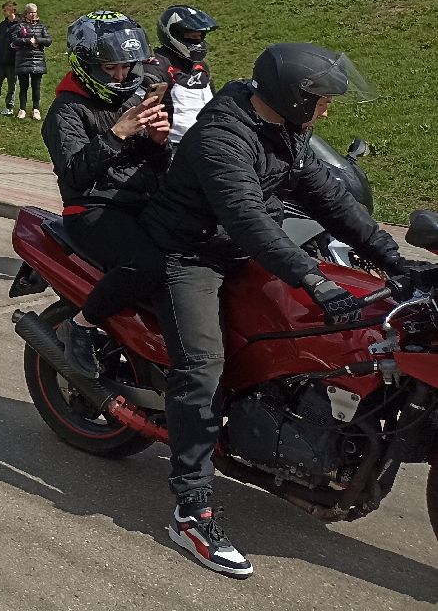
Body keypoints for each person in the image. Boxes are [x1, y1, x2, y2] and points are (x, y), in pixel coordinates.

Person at [139, 42, 411, 578]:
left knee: (304, 335)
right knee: (203, 369)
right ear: (291, 96)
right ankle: (191, 510)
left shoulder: (283, 129)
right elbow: (247, 220)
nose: (328, 109)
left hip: (242, 247)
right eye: (321, 100)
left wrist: (396, 262)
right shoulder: (224, 137)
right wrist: (311, 280)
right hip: (192, 253)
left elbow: (330, 201)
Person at [41, 12, 170, 379]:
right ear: (87, 65)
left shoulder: (134, 98)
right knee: (147, 265)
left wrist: (160, 144)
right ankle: (81, 323)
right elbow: (76, 173)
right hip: (93, 209)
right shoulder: (66, 110)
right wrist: (117, 134)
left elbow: (151, 166)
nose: (121, 76)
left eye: (127, 67)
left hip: (140, 201)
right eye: (111, 67)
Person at [150, 5, 219, 146]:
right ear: (174, 34)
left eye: (200, 36)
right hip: (173, 149)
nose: (198, 42)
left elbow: (214, 103)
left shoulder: (201, 65)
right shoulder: (156, 66)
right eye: (193, 36)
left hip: (209, 143)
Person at [10, 3, 51, 120]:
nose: (33, 15)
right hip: (23, 59)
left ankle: (36, 109)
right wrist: (28, 41)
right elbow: (15, 39)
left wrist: (38, 40)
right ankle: (22, 109)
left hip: (38, 60)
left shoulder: (41, 26)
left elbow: (48, 40)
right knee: (23, 86)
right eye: (30, 12)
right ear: (26, 13)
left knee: (36, 86)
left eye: (34, 12)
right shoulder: (20, 26)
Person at [0, 1, 20, 115]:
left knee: (12, 85)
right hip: (0, 61)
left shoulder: (20, 25)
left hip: (13, 62)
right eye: (3, 9)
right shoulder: (1, 25)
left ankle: (9, 106)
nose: (4, 12)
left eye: (6, 9)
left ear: (13, 11)